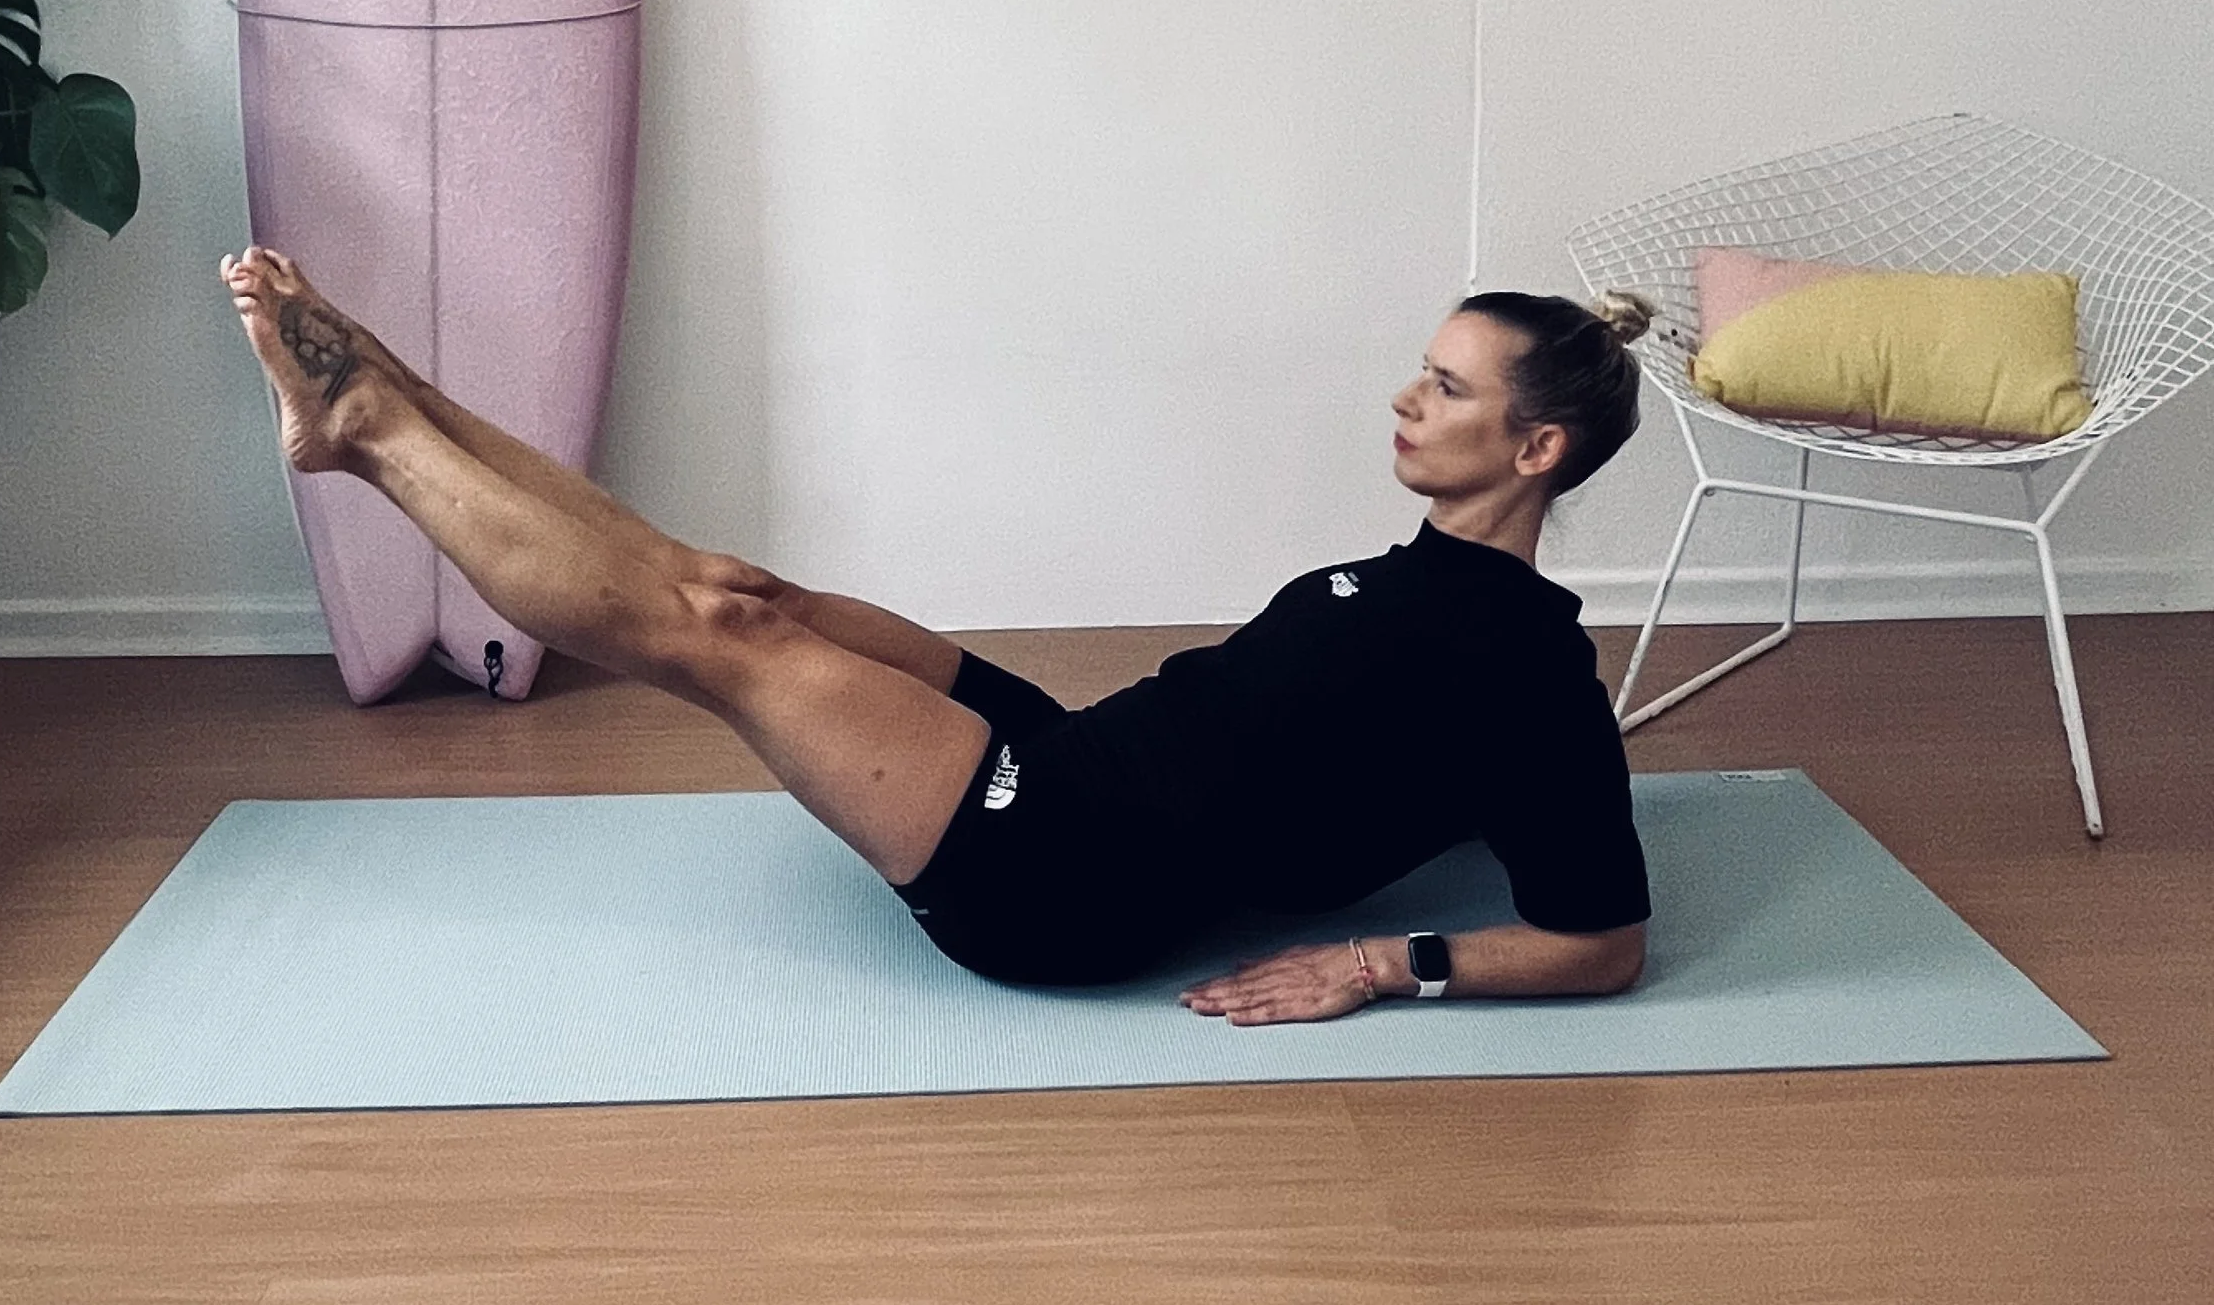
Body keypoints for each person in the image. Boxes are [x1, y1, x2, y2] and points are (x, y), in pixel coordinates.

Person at [220, 250, 1656, 1021]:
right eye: (1420, 370)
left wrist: (1377, 966)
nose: (1406, 400)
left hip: (1064, 875)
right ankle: (399, 393)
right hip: (1076, 753)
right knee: (744, 588)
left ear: (1535, 448)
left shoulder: (1537, 680)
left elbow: (1602, 943)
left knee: (707, 631)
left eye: (1447, 389)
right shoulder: (1420, 578)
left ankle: (370, 435)